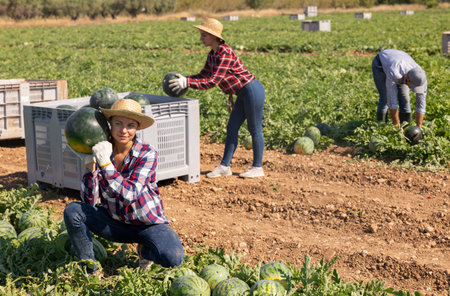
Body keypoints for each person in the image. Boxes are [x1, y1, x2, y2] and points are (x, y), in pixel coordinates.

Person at [64, 98, 184, 275]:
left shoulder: (147, 153)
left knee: (172, 258)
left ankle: (145, 250)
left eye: (130, 125)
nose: (124, 130)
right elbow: (89, 202)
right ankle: (90, 268)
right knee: (73, 211)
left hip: (146, 223)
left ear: (137, 128)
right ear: (109, 125)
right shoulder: (101, 151)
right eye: (118, 123)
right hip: (115, 224)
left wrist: (106, 165)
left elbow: (129, 195)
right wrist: (91, 167)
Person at [169, 18, 266, 178]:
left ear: (214, 36)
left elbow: (213, 81)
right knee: (232, 128)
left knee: (254, 128)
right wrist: (185, 79)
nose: (201, 38)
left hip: (252, 90)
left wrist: (187, 82)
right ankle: (225, 166)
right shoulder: (213, 54)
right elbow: (203, 75)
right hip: (242, 93)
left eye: (204, 35)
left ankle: (257, 167)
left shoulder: (225, 53)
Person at [372, 48, 427, 128]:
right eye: (412, 85)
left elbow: (421, 104)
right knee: (385, 98)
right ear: (408, 78)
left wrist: (419, 127)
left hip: (400, 61)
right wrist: (396, 127)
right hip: (380, 64)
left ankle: (406, 127)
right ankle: (381, 127)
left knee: (405, 98)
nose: (412, 88)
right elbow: (392, 101)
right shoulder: (395, 73)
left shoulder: (421, 78)